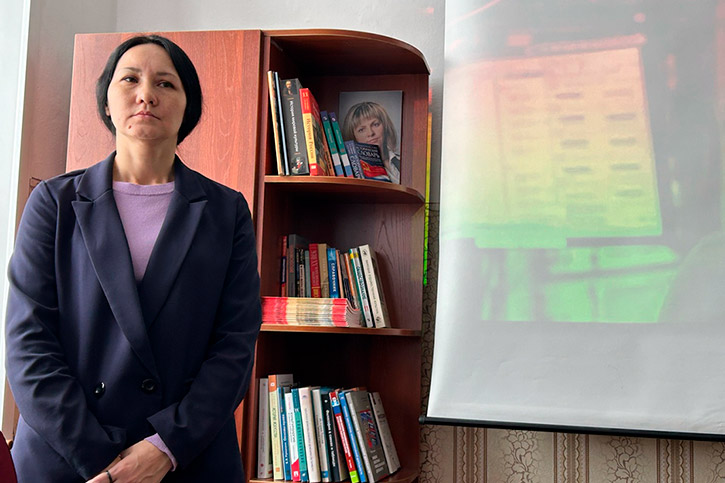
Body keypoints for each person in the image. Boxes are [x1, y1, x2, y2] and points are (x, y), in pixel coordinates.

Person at [5, 35, 261, 482]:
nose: (146, 94)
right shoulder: (53, 202)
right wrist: (106, 464)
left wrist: (164, 449)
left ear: (188, 107)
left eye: (165, 83)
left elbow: (235, 345)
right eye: (130, 79)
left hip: (186, 457)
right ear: (106, 102)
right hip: (67, 457)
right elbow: (28, 342)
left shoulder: (227, 211)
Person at [342, 101, 401, 183]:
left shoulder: (402, 161)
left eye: (375, 124)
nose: (370, 133)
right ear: (353, 136)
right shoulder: (350, 170)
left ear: (385, 127)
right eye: (361, 130)